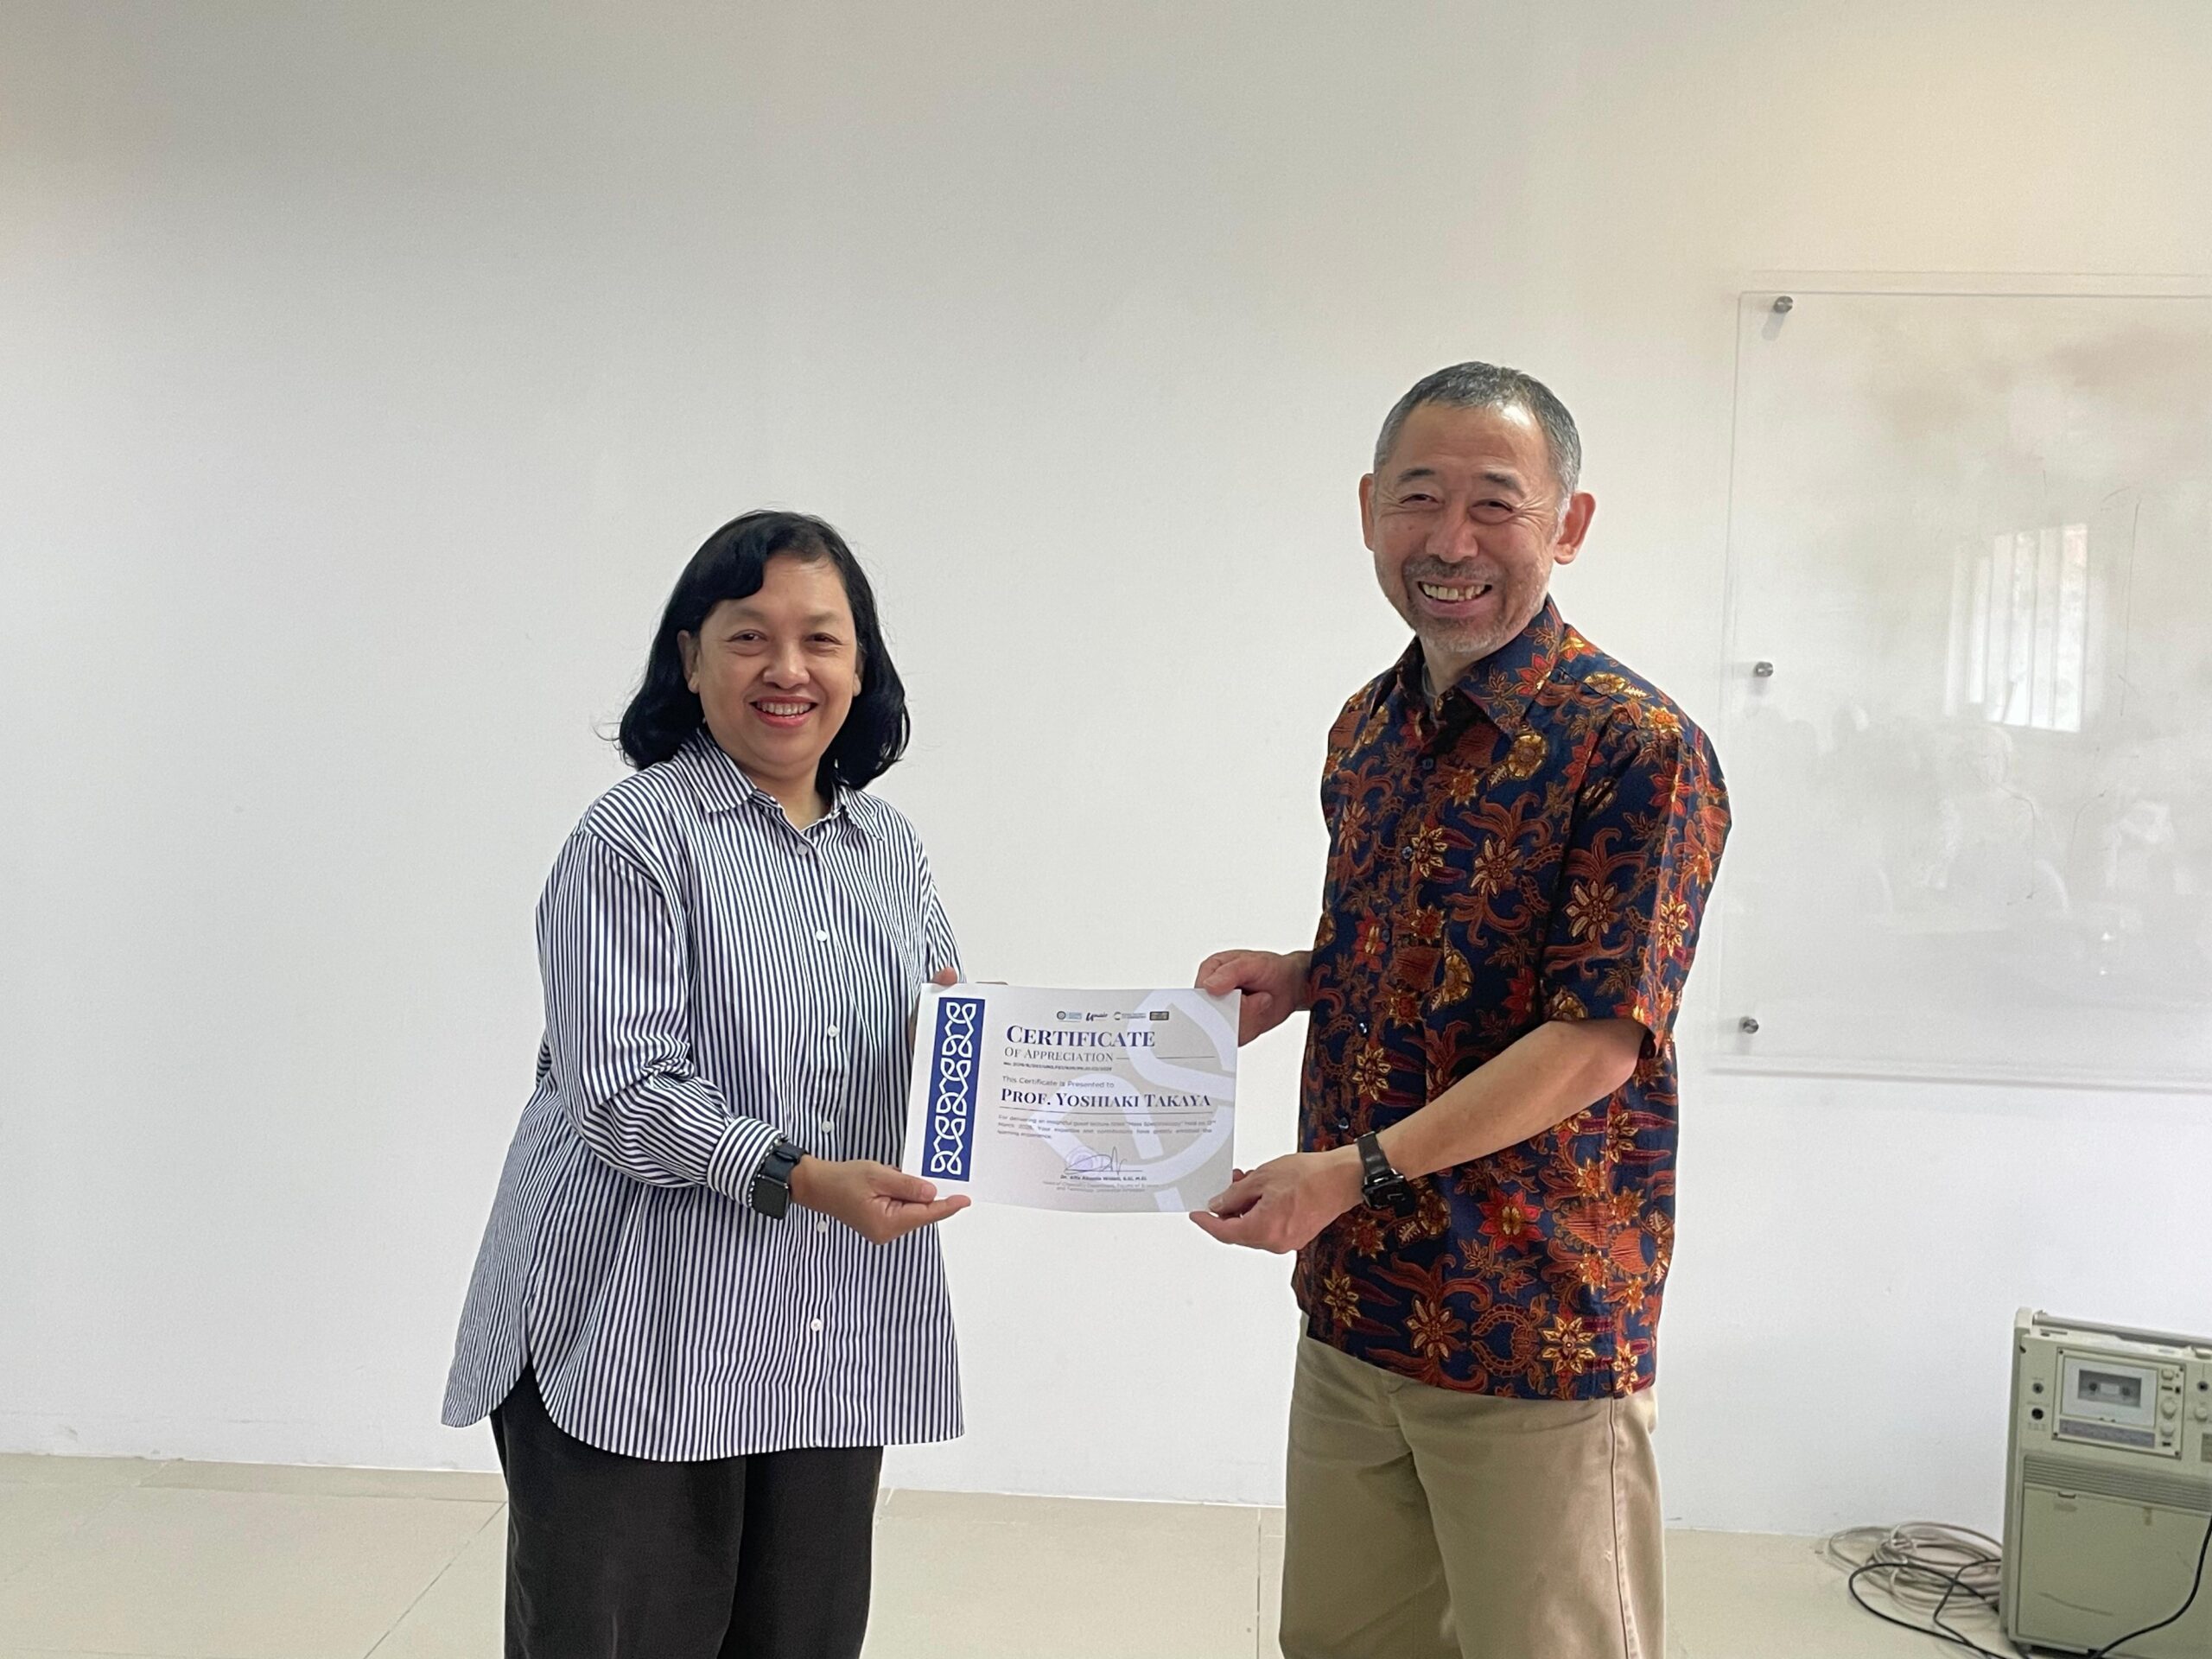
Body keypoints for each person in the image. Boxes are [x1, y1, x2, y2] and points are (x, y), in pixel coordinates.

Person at [1193, 364, 1730, 1659]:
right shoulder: (1369, 727)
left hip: (1530, 1327)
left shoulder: (1637, 747)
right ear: (1369, 509)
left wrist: (1351, 1171)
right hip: (1356, 1307)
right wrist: (1307, 972)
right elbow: (1442, 942)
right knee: (1340, 1645)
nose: (1451, 542)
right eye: (1419, 498)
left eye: (1496, 503)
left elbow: (1596, 1039)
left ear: (1569, 524)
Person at [442, 511, 969, 1659]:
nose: (788, 669)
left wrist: (1062, 1068)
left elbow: (942, 1035)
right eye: (748, 637)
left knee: (800, 1636)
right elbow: (624, 1091)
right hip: (638, 1326)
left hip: (826, 1326)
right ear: (690, 659)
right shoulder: (633, 837)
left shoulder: (890, 849)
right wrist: (803, 1176)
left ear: (861, 666)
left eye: (821, 639)